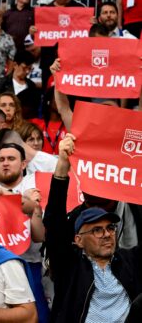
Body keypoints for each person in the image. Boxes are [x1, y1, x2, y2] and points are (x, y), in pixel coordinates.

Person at [43, 134, 142, 322]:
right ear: (78, 239)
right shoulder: (69, 266)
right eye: (97, 230)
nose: (107, 234)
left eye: (110, 228)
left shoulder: (131, 261)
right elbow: (54, 223)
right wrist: (63, 165)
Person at [0, 50, 41, 119]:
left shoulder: (31, 85)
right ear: (15, 65)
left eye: (30, 69)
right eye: (24, 68)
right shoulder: (2, 83)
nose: (27, 71)